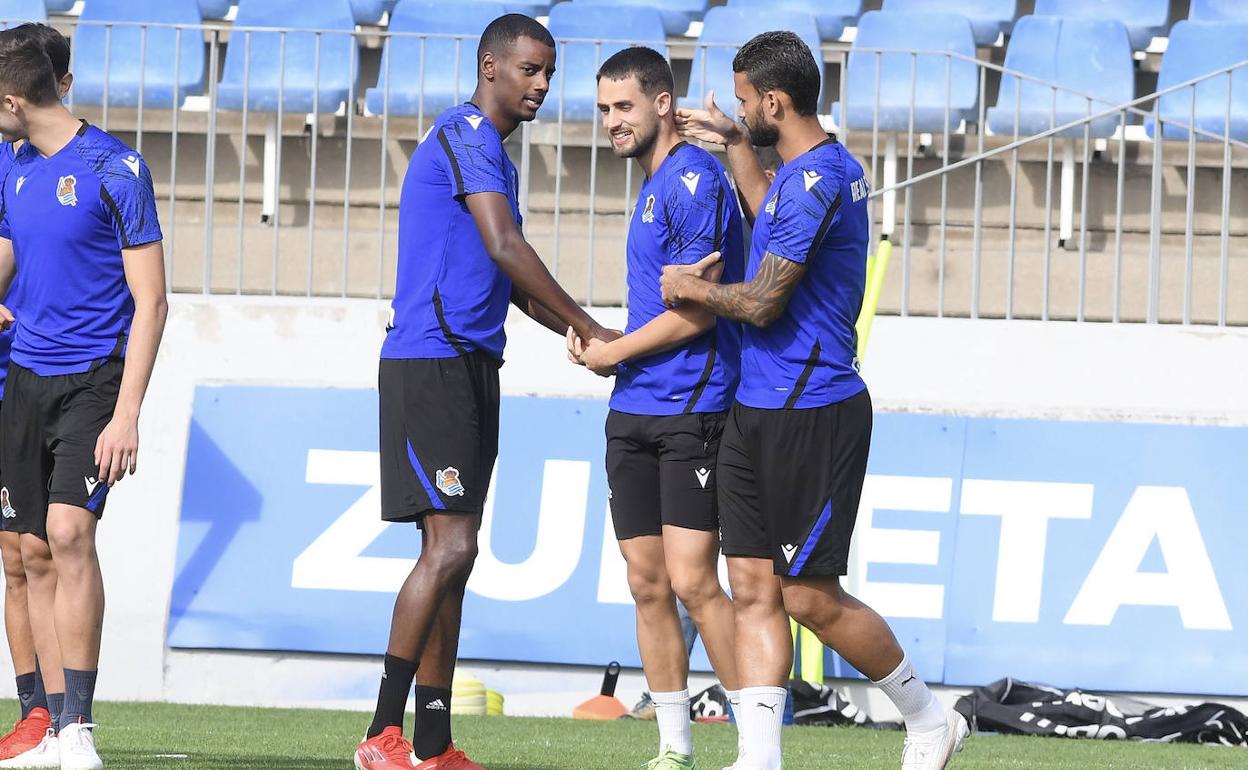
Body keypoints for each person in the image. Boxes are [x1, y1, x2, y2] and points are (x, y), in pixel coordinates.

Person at [663, 32, 969, 770]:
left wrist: (692, 288)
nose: (738, 110)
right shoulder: (800, 174)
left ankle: (930, 719)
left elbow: (765, 301)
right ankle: (759, 758)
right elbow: (772, 212)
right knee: (752, 586)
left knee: (807, 597)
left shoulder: (822, 178)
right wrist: (739, 145)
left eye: (743, 101)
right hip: (756, 406)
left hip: (814, 409)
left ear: (775, 100)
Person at [353, 14, 618, 770]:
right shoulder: (468, 134)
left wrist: (576, 335)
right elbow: (508, 246)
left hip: (471, 366)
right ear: (490, 66)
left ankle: (432, 744)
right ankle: (381, 733)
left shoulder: (493, 156)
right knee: (452, 545)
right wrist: (590, 323)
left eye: (548, 72)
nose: (540, 84)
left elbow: (503, 276)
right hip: (429, 364)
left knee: (455, 556)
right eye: (529, 69)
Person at [567, 45, 743, 770]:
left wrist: (614, 351)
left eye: (625, 107)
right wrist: (614, 343)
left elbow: (699, 314)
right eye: (604, 108)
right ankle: (674, 749)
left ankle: (758, 744)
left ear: (663, 103)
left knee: (696, 583)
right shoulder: (650, 185)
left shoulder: (694, 179)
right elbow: (659, 306)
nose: (611, 121)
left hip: (691, 407)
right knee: (647, 584)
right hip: (635, 405)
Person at [0, 23, 168, 770]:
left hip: (95, 379)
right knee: (31, 548)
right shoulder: (15, 164)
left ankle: (79, 727)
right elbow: (10, 252)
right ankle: (47, 728)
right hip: (25, 379)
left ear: (11, 99)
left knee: (70, 534)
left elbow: (153, 301)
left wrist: (128, 410)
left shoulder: (117, 168)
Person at [0, 23, 72, 766]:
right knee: (14, 557)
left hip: (44, 374)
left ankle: (65, 714)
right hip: (8, 377)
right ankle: (32, 712)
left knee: (50, 548)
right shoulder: (8, 162)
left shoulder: (87, 168)